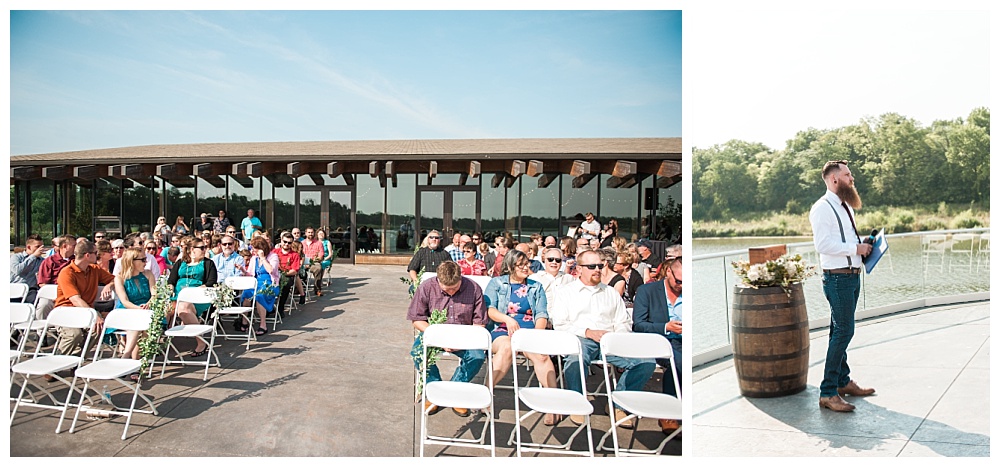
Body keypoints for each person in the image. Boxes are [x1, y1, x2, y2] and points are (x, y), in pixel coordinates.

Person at [548, 249, 656, 427]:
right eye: (592, 266)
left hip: (611, 339)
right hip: (580, 338)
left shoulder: (611, 293)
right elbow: (560, 324)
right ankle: (577, 403)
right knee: (576, 358)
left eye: (600, 265)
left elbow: (623, 321)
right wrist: (588, 332)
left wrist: (616, 337)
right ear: (579, 269)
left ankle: (618, 404)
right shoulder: (566, 292)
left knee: (646, 361)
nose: (597, 269)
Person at [809, 160, 875, 413]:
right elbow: (822, 245)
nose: (852, 178)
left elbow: (845, 240)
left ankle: (842, 381)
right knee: (844, 332)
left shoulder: (845, 205)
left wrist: (864, 244)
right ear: (834, 179)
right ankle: (827, 392)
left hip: (851, 276)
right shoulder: (822, 208)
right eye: (848, 175)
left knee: (838, 330)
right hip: (837, 279)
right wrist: (854, 249)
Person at [483, 251, 560, 425]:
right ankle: (486, 393)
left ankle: (553, 403)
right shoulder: (496, 283)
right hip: (502, 328)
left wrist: (534, 334)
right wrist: (508, 319)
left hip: (528, 331)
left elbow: (541, 314)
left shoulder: (536, 286)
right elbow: (490, 309)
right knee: (506, 348)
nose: (527, 267)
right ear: (510, 267)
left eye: (527, 263)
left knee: (542, 356)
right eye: (521, 264)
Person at [407, 261, 487, 416]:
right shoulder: (427, 287)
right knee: (417, 352)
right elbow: (417, 319)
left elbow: (480, 323)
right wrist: (438, 338)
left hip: (465, 335)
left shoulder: (474, 288)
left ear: (461, 279)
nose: (451, 292)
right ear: (438, 280)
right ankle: (433, 388)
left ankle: (455, 390)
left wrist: (461, 342)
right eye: (447, 289)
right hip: (434, 332)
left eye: (455, 288)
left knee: (477, 357)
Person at [632, 256, 683, 434]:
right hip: (658, 339)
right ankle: (668, 413)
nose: (681, 286)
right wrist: (665, 327)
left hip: (684, 340)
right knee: (679, 363)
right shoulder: (647, 291)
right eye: (678, 281)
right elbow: (638, 324)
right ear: (668, 272)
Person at [52, 239, 117, 358]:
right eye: (95, 253)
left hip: (85, 311)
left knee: (97, 329)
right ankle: (54, 364)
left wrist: (109, 284)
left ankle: (77, 360)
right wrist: (94, 314)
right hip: (65, 311)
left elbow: (116, 279)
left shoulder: (94, 269)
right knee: (74, 334)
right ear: (87, 255)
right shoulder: (67, 272)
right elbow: (75, 299)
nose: (97, 255)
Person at [167, 238, 218, 357]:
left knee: (184, 308)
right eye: (201, 248)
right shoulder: (180, 262)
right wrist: (169, 289)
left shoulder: (208, 263)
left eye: (204, 247)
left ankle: (201, 342)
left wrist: (194, 291)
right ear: (192, 250)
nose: (205, 250)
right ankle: (157, 344)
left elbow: (211, 282)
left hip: (198, 297)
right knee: (163, 310)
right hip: (177, 296)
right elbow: (171, 280)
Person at [113, 247, 157, 377]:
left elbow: (154, 294)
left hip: (147, 310)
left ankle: (129, 360)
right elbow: (124, 301)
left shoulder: (148, 274)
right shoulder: (119, 278)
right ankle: (132, 362)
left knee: (142, 323)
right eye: (143, 260)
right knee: (138, 321)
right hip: (127, 311)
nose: (146, 262)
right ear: (132, 261)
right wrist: (139, 309)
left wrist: (147, 305)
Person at [237, 236, 280, 336]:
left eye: (254, 248)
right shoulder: (253, 259)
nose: (253, 251)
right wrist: (243, 271)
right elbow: (251, 274)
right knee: (246, 293)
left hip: (270, 284)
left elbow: (271, 270)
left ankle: (263, 324)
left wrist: (263, 258)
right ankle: (245, 321)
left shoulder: (273, 257)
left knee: (259, 296)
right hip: (256, 282)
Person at [11, 234, 47, 304]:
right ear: (28, 247)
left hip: (31, 291)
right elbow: (18, 270)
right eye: (37, 247)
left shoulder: (42, 261)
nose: (40, 249)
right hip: (15, 288)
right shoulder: (16, 257)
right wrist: (33, 256)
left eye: (42, 246)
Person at [272, 232, 302, 315]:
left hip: (287, 275)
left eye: (289, 243)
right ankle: (269, 308)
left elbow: (294, 270)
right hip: (273, 275)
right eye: (285, 242)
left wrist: (282, 273)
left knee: (286, 284)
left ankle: (280, 308)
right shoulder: (274, 252)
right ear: (281, 241)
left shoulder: (295, 255)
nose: (286, 244)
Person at [301, 227, 327, 297]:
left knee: (318, 268)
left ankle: (317, 289)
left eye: (312, 232)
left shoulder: (318, 243)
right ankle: (298, 288)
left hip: (314, 262)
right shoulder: (301, 243)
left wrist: (312, 262)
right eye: (309, 232)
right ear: (306, 233)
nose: (310, 234)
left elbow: (321, 255)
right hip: (302, 262)